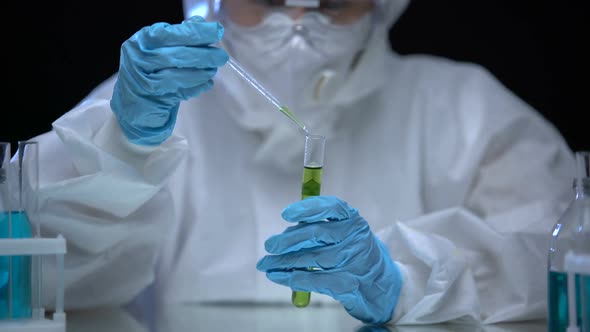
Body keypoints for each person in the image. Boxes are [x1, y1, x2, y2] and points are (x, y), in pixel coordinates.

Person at [31, 0, 575, 326]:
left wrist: (406, 279)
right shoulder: (148, 104)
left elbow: (560, 255)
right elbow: (38, 278)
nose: (296, 21)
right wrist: (125, 148)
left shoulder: (464, 108)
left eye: (331, 3)